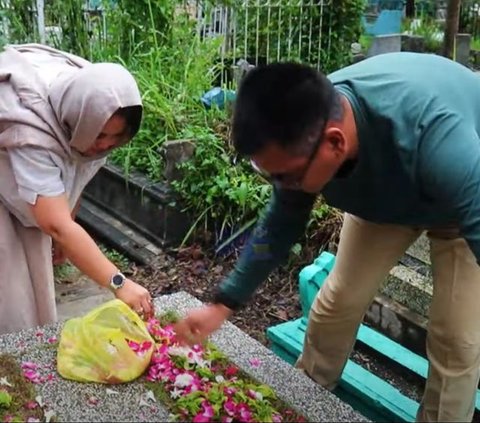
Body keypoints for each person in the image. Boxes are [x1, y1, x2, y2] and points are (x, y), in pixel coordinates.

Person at [174, 53, 480, 422]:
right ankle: (305, 398)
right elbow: (279, 225)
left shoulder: (440, 140)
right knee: (338, 300)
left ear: (335, 144)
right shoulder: (305, 127)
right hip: (386, 200)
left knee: (457, 340)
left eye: (287, 178)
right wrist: (223, 303)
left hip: (460, 207)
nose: (283, 189)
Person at [0, 43, 153, 335]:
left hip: (31, 184)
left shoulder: (92, 97)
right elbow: (56, 225)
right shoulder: (33, 134)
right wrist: (120, 283)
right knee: (14, 291)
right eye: (102, 135)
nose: (106, 145)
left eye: (116, 137)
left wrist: (68, 222)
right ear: (80, 119)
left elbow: (78, 169)